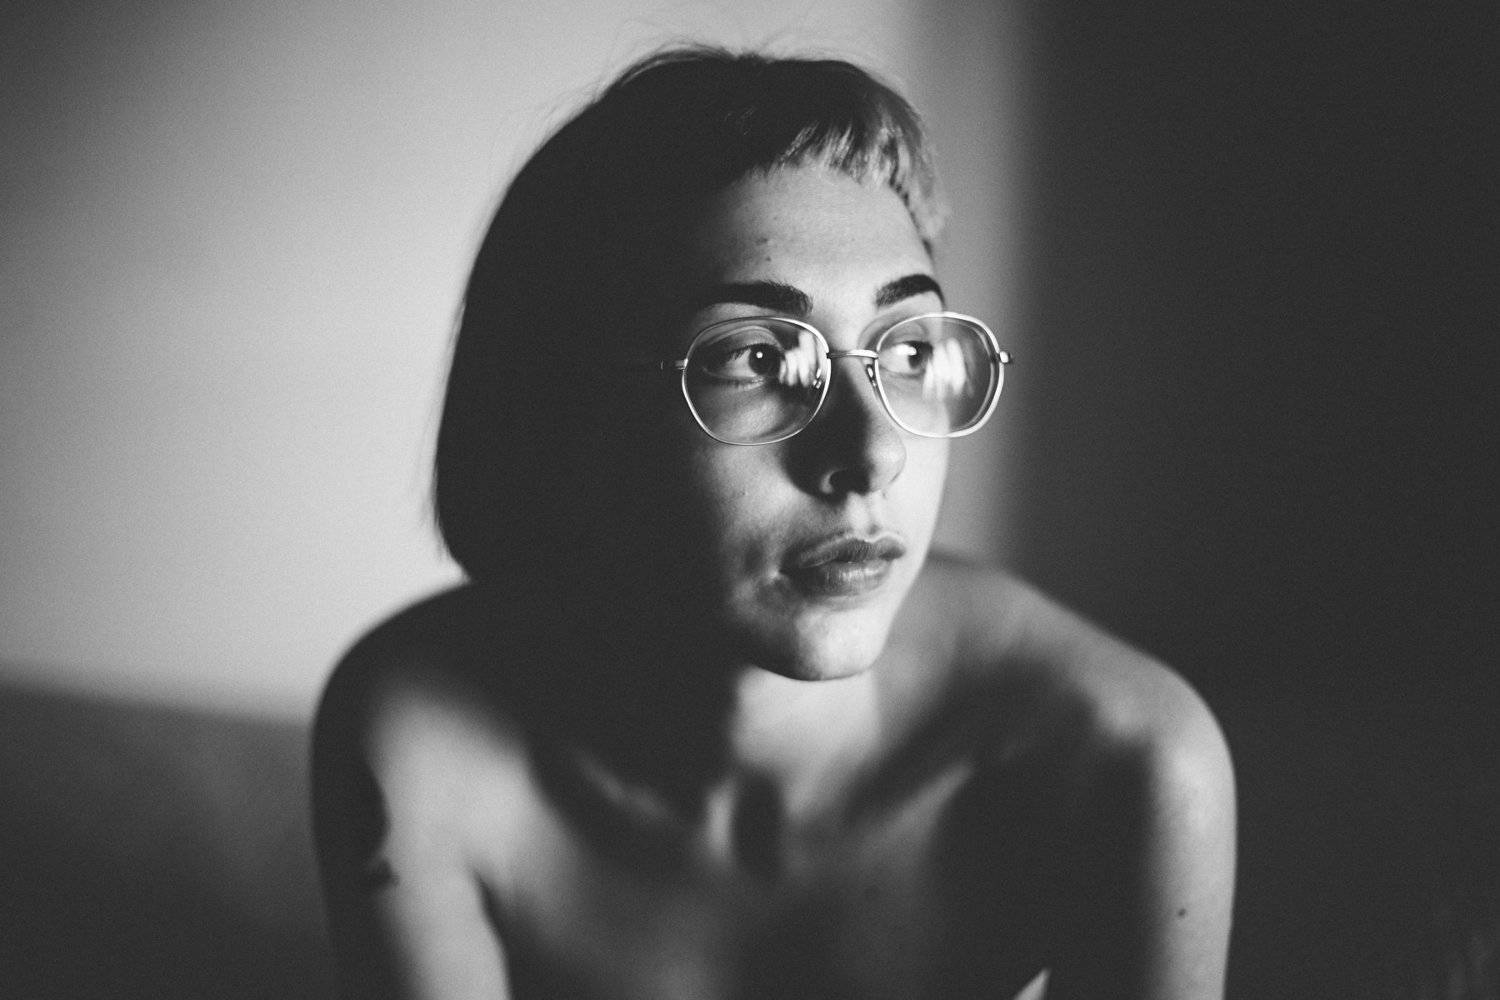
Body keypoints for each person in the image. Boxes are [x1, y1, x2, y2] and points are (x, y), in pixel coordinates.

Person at [311, 46, 1236, 1000]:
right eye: (756, 358)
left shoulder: (1126, 761)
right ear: (567, 412)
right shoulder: (421, 736)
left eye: (909, 351)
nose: (873, 455)